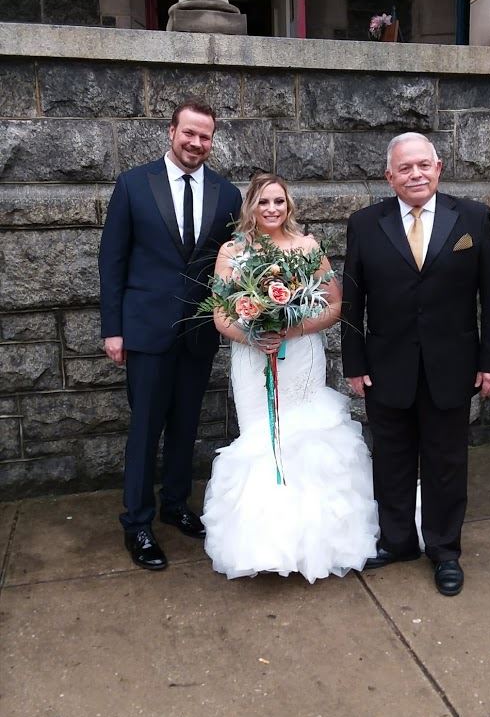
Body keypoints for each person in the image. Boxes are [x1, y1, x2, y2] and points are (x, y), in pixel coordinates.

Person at [341, 133, 490, 595]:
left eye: (423, 165)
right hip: (385, 366)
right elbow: (352, 301)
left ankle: (444, 550)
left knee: (445, 462)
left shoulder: (472, 217)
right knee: (391, 459)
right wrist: (353, 363)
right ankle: (397, 542)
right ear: (389, 176)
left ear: (438, 168)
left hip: (452, 366)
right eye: (405, 168)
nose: (415, 174)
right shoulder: (365, 224)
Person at [202, 173, 379, 583]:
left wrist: (292, 328)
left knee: (305, 439)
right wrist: (253, 333)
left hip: (301, 355)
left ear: (289, 205)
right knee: (261, 439)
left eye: (278, 201)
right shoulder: (232, 251)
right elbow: (220, 314)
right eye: (263, 202)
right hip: (252, 358)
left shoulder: (307, 247)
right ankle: (264, 544)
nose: (271, 209)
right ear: (251, 206)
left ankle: (315, 542)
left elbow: (334, 306)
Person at [99, 99, 242, 571]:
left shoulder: (226, 194)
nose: (196, 143)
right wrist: (113, 329)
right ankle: (137, 522)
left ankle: (176, 504)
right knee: (145, 429)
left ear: (212, 140)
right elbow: (112, 261)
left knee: (186, 424)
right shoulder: (133, 185)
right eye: (189, 133)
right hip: (145, 330)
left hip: (198, 332)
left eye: (205, 136)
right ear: (171, 131)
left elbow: (233, 263)